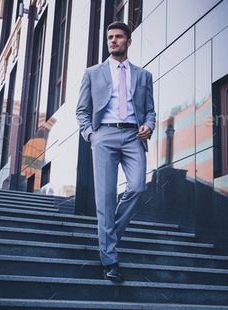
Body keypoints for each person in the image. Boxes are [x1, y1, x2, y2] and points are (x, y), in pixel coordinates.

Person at [75, 21, 156, 282]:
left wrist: (149, 125)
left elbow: (151, 110)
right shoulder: (92, 73)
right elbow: (82, 111)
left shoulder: (144, 75)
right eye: (110, 37)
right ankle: (110, 260)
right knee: (106, 198)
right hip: (104, 136)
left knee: (137, 188)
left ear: (128, 41)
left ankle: (108, 237)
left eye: (119, 37)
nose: (113, 41)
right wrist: (91, 135)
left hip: (134, 135)